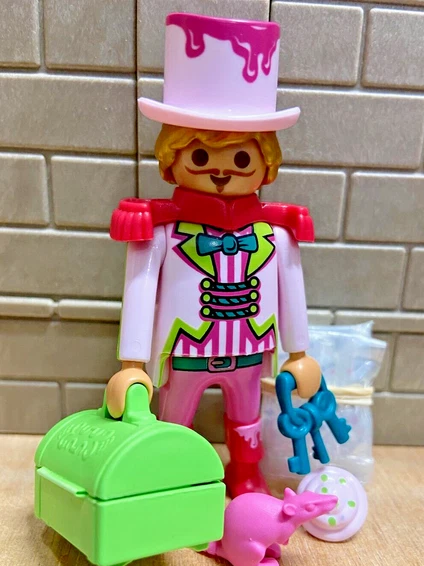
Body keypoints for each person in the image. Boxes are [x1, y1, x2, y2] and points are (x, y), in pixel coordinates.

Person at [107, 12, 321, 497]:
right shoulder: (160, 229)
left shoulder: (278, 232)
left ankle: (245, 475)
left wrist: (299, 352)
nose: (222, 172)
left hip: (250, 350)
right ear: (172, 160)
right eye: (201, 156)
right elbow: (139, 292)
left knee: (246, 418)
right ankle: (171, 481)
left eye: (241, 158)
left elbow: (292, 292)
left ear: (265, 165)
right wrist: (132, 363)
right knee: (174, 420)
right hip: (185, 350)